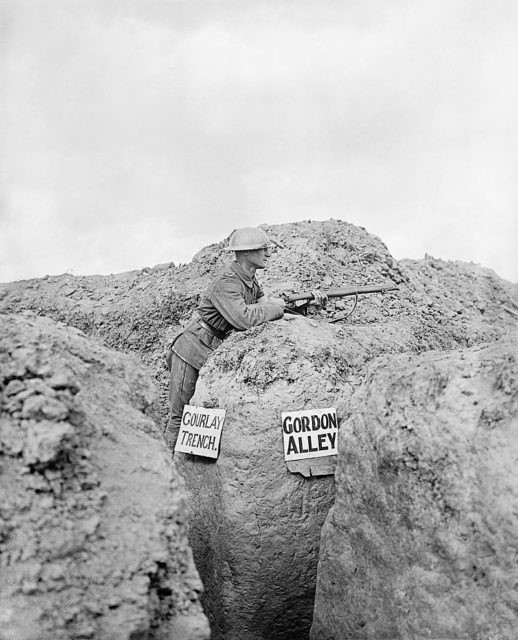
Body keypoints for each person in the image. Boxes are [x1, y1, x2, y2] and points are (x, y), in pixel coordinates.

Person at [163, 226, 326, 451]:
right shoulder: (227, 283)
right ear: (247, 253)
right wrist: (275, 307)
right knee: (180, 416)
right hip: (190, 350)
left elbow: (265, 307)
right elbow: (246, 319)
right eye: (263, 249)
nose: (268, 253)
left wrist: (305, 304)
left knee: (201, 413)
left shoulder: (250, 279)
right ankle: (167, 472)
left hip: (212, 349)